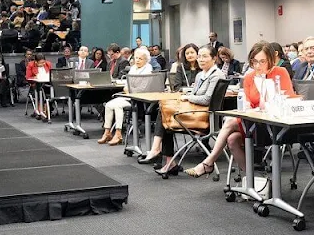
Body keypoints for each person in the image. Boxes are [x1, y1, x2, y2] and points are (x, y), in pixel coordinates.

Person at [184, 41, 296, 178]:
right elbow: (247, 103)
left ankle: (209, 162)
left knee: (230, 122)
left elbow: (288, 98)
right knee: (232, 140)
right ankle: (251, 179)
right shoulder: (249, 77)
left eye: (262, 61)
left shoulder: (280, 72)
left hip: (275, 124)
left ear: (271, 60)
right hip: (253, 122)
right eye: (254, 62)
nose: (258, 66)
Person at [138, 46, 226, 177]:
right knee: (164, 114)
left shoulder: (217, 75)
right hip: (195, 112)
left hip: (204, 117)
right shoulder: (201, 75)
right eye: (200, 56)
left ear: (214, 58)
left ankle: (157, 151)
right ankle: (168, 161)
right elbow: (196, 93)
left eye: (205, 56)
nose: (201, 59)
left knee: (164, 115)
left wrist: (188, 97)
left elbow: (207, 99)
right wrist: (187, 95)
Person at [98, 47, 153, 146]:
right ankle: (107, 132)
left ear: (146, 60)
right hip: (128, 94)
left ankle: (118, 133)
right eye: (136, 58)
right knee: (109, 105)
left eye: (140, 59)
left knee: (118, 106)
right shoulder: (132, 68)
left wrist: (131, 89)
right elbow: (127, 86)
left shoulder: (148, 69)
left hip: (138, 98)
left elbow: (143, 87)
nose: (137, 60)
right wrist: (129, 89)